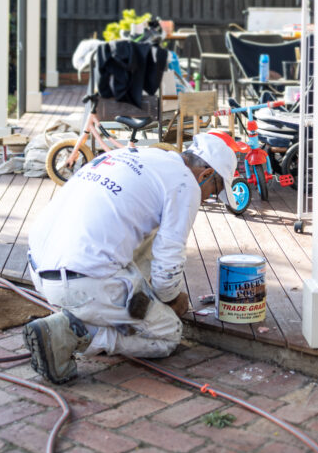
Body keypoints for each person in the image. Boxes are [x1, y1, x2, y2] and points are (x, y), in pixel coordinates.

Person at [23, 133, 238, 384]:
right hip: (82, 281)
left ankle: (81, 314)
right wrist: (170, 299)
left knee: (149, 236)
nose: (207, 199)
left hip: (41, 269)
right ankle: (71, 334)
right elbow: (169, 256)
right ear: (205, 175)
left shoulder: (137, 156)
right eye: (213, 192)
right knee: (167, 334)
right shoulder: (185, 184)